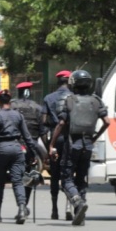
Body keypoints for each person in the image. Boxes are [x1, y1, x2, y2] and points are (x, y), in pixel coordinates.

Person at [49, 70, 110, 226]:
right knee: (81, 178)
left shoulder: (69, 100)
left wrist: (51, 144)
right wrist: (95, 137)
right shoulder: (96, 101)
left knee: (66, 179)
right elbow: (107, 122)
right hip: (88, 145)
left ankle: (77, 202)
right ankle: (79, 216)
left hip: (72, 144)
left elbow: (61, 123)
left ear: (73, 83)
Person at [0, 89, 39, 224]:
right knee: (17, 181)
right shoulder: (18, 116)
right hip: (17, 148)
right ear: (9, 102)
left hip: (1, 149)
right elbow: (27, 137)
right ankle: (22, 209)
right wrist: (33, 154)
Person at [41, 70, 74, 220]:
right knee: (68, 174)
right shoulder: (74, 98)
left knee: (54, 175)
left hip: (55, 137)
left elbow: (43, 122)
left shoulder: (48, 98)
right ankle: (69, 205)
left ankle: (54, 209)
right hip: (70, 138)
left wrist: (48, 144)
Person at [11, 80, 45, 213]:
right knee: (29, 175)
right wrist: (46, 150)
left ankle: (20, 205)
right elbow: (42, 131)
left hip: (15, 145)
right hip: (31, 147)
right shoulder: (38, 108)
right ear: (29, 92)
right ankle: (24, 205)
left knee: (16, 177)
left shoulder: (12, 106)